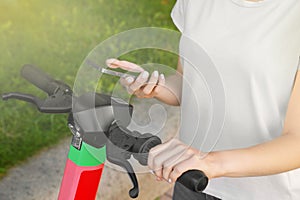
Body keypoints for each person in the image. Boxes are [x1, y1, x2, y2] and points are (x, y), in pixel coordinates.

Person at [106, 0, 300, 199]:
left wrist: (211, 163)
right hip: (192, 182)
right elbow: (188, 83)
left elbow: (297, 142)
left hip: (265, 193)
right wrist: (154, 85)